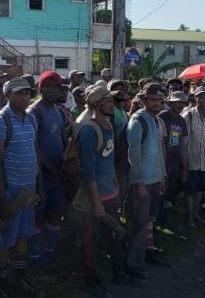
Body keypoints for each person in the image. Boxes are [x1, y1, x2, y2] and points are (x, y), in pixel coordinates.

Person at [0, 77, 43, 295]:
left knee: (23, 237)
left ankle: (18, 280)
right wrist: (3, 198)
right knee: (5, 242)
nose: (24, 97)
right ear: (7, 95)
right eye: (19, 93)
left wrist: (40, 186)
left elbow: (34, 152)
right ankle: (3, 285)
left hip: (29, 190)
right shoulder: (1, 121)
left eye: (27, 93)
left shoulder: (31, 119)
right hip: (12, 191)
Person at [79, 85, 127, 294]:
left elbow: (109, 160)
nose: (112, 104)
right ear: (97, 104)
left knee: (114, 234)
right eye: (107, 101)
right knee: (91, 240)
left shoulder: (108, 124)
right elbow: (88, 170)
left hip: (111, 193)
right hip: (94, 198)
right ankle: (90, 279)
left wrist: (116, 184)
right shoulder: (90, 130)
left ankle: (119, 272)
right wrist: (97, 202)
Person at [125, 82, 167, 284]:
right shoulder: (137, 121)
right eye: (152, 99)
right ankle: (133, 265)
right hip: (141, 182)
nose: (156, 103)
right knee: (139, 224)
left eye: (159, 100)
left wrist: (162, 176)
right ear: (143, 100)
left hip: (155, 179)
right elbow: (133, 156)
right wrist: (139, 183)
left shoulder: (157, 121)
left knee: (147, 222)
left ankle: (139, 260)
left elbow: (159, 152)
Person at [26, 71, 67, 272]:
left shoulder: (59, 111)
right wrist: (49, 169)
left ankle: (49, 255)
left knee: (55, 215)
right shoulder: (34, 112)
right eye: (48, 86)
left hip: (58, 176)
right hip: (39, 177)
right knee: (37, 218)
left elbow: (63, 139)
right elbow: (34, 147)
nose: (52, 90)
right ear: (40, 88)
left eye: (55, 87)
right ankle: (34, 260)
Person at [181, 86, 205, 226]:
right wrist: (184, 161)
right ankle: (190, 217)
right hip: (192, 160)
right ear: (195, 98)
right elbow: (184, 142)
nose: (202, 100)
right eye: (199, 97)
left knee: (201, 189)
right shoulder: (188, 115)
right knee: (190, 191)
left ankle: (196, 214)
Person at [158, 91, 189, 225]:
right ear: (170, 103)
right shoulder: (162, 117)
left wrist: (184, 167)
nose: (180, 105)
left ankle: (166, 215)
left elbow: (182, 145)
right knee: (160, 191)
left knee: (172, 189)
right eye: (177, 102)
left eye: (182, 103)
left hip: (175, 161)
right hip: (162, 160)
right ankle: (157, 219)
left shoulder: (181, 120)